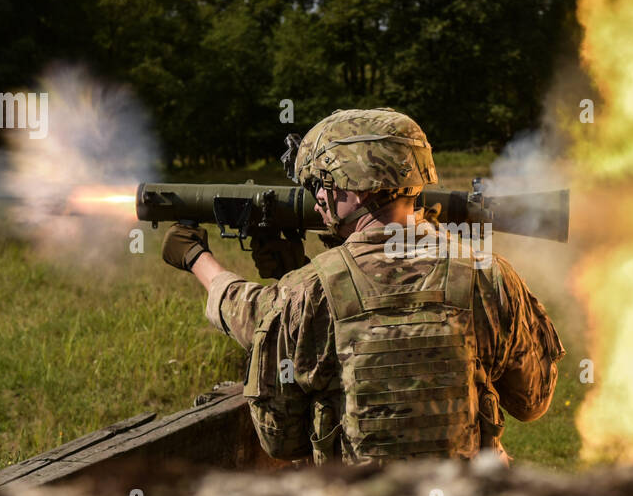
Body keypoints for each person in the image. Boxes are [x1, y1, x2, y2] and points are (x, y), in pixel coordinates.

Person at [161, 107, 564, 466]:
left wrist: (200, 259)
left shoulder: (308, 291)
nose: (317, 197)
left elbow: (280, 441)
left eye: (323, 182)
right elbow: (532, 400)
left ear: (353, 188)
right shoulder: (490, 276)